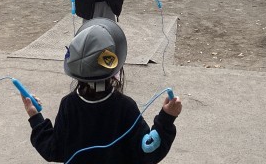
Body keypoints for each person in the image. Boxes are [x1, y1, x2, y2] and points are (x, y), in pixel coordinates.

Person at [22, 18, 181, 163]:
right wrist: (166, 119)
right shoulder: (125, 107)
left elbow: (54, 150)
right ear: (115, 70)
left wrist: (35, 117)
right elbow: (148, 151)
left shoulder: (69, 105)